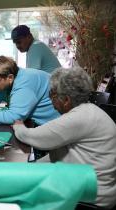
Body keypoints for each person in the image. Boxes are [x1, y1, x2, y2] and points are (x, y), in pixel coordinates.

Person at [13, 67, 116, 208]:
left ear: (66, 99)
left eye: (52, 95)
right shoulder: (89, 110)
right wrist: (32, 167)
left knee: (23, 196)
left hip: (92, 197)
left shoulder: (79, 118)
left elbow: (37, 138)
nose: (51, 101)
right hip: (93, 187)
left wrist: (18, 126)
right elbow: (60, 153)